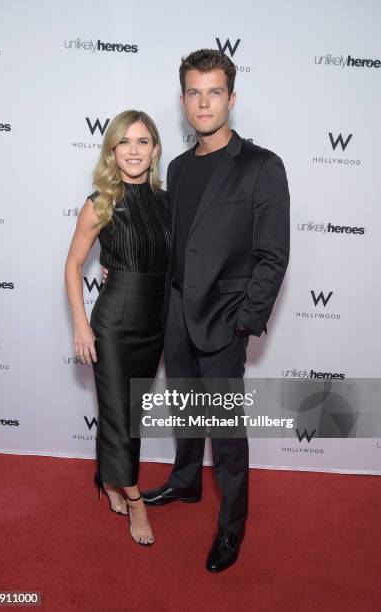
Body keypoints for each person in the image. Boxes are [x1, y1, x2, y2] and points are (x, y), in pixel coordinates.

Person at [140, 49, 290, 571]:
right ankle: (185, 483)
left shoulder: (261, 166)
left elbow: (273, 255)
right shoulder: (178, 168)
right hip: (175, 311)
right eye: (195, 93)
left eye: (215, 92)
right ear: (183, 100)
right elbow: (172, 242)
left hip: (225, 319)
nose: (204, 103)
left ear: (231, 97)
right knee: (184, 407)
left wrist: (245, 322)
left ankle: (232, 526)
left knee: (225, 429)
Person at [65, 110, 171, 546]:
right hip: (112, 323)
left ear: (155, 150)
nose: (133, 150)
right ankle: (135, 501)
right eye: (124, 142)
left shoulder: (167, 202)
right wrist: (81, 324)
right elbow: (73, 265)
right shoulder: (100, 202)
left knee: (129, 413)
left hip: (155, 321)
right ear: (112, 150)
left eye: (142, 141)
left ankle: (109, 480)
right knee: (118, 414)